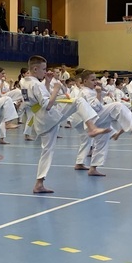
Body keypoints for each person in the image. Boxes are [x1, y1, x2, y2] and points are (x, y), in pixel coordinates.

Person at [20, 55, 110, 194]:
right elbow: (48, 105)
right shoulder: (35, 84)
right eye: (44, 69)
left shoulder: (24, 81)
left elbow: (42, 96)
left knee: (47, 150)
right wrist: (56, 88)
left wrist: (47, 81)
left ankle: (39, 183)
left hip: (40, 119)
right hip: (48, 116)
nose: (45, 71)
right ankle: (92, 128)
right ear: (35, 69)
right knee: (78, 101)